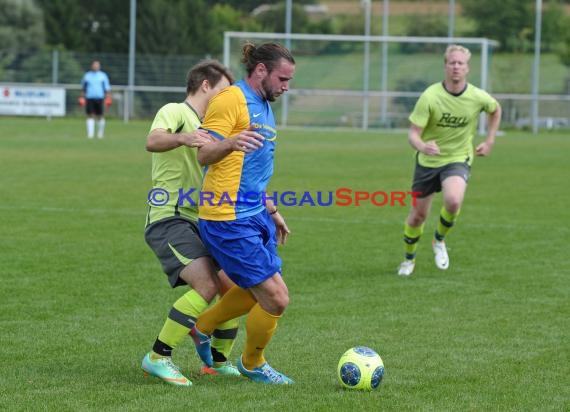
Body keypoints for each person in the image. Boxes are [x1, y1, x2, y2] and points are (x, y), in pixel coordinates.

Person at [141, 60, 260, 387]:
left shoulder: (212, 125)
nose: (228, 98)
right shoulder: (176, 111)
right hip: (170, 218)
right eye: (223, 90)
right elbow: (153, 140)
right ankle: (158, 357)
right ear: (205, 85)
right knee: (206, 286)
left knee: (235, 289)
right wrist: (184, 138)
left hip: (204, 220)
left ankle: (218, 362)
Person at [188, 42, 296, 385]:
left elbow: (251, 170)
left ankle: (202, 328)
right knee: (276, 298)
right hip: (227, 217)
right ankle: (253, 363)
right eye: (282, 78)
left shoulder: (264, 105)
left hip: (254, 213)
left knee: (254, 290)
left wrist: (271, 210)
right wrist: (230, 142)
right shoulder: (231, 100)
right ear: (261, 70)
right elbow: (204, 154)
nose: (286, 86)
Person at [397, 44, 502, 277]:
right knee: (418, 216)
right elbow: (413, 133)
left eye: (460, 63)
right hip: (427, 161)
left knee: (453, 200)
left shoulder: (477, 96)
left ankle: (439, 240)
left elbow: (495, 110)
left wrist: (490, 140)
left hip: (458, 158)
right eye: (452, 62)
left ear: (467, 69)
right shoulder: (430, 96)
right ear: (445, 66)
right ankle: (409, 259)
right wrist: (423, 145)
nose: (456, 67)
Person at [79, 60, 112, 139]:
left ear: (99, 66)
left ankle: (100, 134)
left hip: (100, 98)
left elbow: (106, 88)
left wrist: (108, 97)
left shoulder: (103, 76)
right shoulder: (87, 76)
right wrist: (82, 97)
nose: (95, 66)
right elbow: (84, 88)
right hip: (90, 98)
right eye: (94, 65)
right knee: (90, 115)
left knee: (100, 116)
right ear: (91, 66)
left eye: (97, 65)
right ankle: (90, 135)